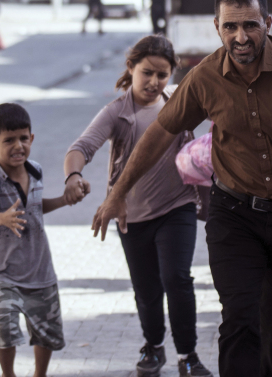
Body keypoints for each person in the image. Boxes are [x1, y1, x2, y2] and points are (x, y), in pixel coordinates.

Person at [92, 0, 272, 377]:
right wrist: (118, 192)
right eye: (231, 26)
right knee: (239, 318)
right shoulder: (204, 77)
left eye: (250, 25)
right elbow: (160, 133)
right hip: (235, 217)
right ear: (217, 26)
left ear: (267, 23)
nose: (241, 37)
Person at [64, 35, 213, 377]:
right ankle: (154, 346)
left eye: (162, 75)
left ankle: (188, 356)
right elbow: (81, 147)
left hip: (178, 206)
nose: (154, 81)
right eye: (147, 72)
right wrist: (73, 176)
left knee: (177, 278)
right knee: (147, 289)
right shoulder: (116, 112)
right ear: (131, 68)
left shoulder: (178, 100)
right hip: (131, 215)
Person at [0, 103, 84, 377]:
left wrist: (64, 200)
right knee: (5, 327)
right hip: (4, 272)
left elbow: (34, 207)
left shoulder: (35, 170)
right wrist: (2, 218)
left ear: (32, 138)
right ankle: (8, 373)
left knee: (46, 331)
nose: (18, 146)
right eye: (8, 140)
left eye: (23, 138)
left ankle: (39, 374)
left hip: (39, 270)